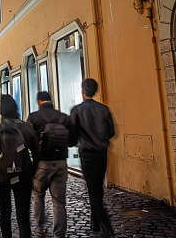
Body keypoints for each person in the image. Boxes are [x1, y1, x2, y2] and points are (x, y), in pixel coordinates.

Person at [0, 94, 38, 238]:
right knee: (23, 215)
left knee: (5, 213)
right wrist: (32, 172)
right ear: (15, 109)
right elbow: (36, 152)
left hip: (1, 175)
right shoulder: (26, 126)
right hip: (23, 175)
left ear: (1, 111)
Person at [70, 78, 115, 238]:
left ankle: (106, 226)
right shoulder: (104, 109)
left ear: (83, 91)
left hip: (87, 154)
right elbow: (111, 132)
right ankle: (94, 221)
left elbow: (73, 136)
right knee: (98, 187)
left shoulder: (76, 110)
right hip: (101, 153)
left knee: (92, 189)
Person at [27, 91, 75, 238]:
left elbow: (28, 140)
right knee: (59, 201)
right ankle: (59, 234)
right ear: (50, 100)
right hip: (60, 163)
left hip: (41, 163)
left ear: (39, 101)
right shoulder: (63, 117)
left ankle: (40, 228)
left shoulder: (33, 117)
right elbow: (73, 141)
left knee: (38, 195)